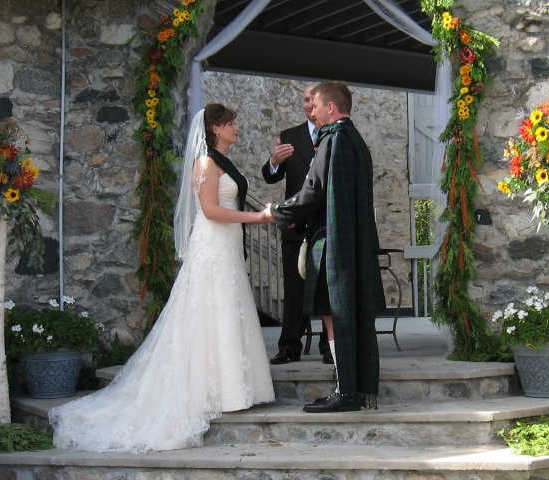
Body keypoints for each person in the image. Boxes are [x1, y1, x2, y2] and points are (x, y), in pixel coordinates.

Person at [49, 104, 275, 452]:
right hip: (212, 244)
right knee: (208, 310)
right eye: (231, 123)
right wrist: (257, 218)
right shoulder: (206, 163)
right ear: (214, 129)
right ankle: (214, 389)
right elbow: (212, 210)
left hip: (227, 246)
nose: (237, 127)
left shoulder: (223, 160)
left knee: (229, 310)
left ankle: (235, 387)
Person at [265, 81, 384, 413]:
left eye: (314, 105)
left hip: (334, 241)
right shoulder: (353, 139)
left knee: (338, 316)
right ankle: (345, 387)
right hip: (344, 238)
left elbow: (314, 190)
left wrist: (275, 212)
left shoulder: (334, 138)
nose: (310, 110)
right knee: (335, 315)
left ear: (331, 108)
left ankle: (346, 392)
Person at [261, 84, 332, 366]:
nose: (307, 105)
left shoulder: (335, 134)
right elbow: (269, 177)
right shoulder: (289, 137)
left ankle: (329, 346)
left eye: (311, 100)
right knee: (294, 291)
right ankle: (289, 347)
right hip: (295, 228)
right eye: (304, 100)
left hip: (326, 226)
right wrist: (274, 162)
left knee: (327, 290)